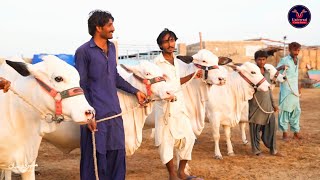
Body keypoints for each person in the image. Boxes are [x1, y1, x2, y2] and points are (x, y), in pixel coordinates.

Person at [75, 10, 146, 180]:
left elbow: (114, 76)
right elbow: (81, 85)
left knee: (116, 156)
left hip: (114, 113)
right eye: (109, 25)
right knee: (95, 160)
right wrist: (88, 115)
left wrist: (135, 91)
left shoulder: (112, 47)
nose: (113, 28)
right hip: (96, 117)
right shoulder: (83, 51)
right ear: (98, 28)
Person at [152, 28, 202, 180]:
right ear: (161, 45)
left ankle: (182, 172)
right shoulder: (156, 63)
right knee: (166, 142)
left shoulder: (178, 62)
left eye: (172, 40)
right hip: (165, 107)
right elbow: (155, 84)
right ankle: (172, 174)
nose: (170, 44)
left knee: (190, 138)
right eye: (166, 41)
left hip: (180, 105)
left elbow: (176, 81)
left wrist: (193, 75)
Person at [248, 50, 282, 156]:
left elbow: (269, 90)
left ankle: (273, 149)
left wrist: (273, 104)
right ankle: (256, 150)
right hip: (255, 105)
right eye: (259, 59)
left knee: (272, 127)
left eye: (263, 59)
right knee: (255, 129)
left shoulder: (267, 72)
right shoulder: (252, 73)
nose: (261, 62)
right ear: (255, 60)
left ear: (266, 60)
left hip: (267, 105)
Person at [276, 42, 302, 140]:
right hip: (286, 90)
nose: (296, 52)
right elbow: (274, 71)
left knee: (296, 111)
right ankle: (285, 133)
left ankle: (296, 132)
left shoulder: (297, 60)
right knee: (285, 111)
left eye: (298, 50)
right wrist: (281, 67)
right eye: (295, 50)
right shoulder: (284, 60)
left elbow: (296, 75)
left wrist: (299, 88)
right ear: (290, 50)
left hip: (295, 90)